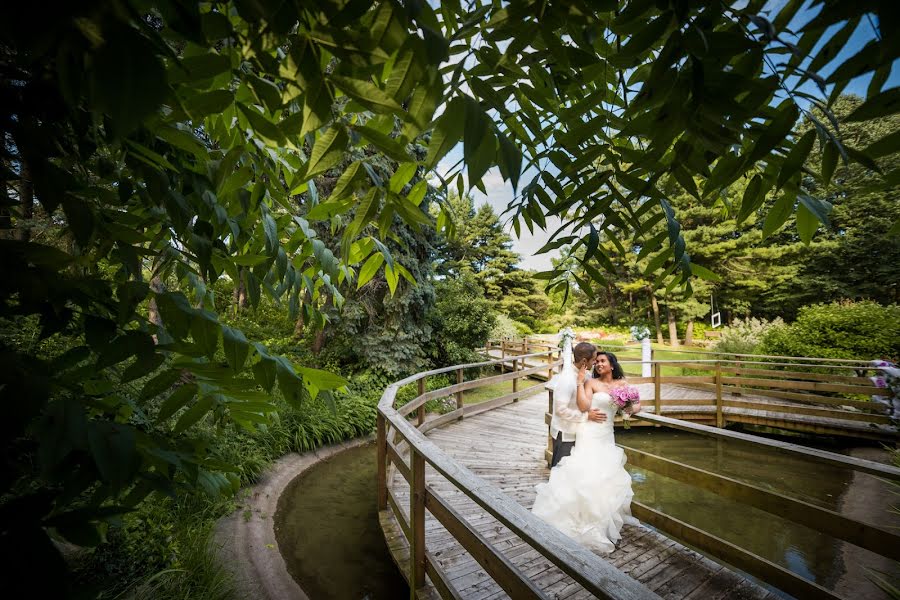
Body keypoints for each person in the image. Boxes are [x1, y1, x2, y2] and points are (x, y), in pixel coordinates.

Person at [532, 350, 641, 553]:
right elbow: (583, 406)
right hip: (589, 431)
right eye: (596, 361)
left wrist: (629, 410)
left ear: (612, 364)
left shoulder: (623, 384)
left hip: (607, 434)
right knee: (585, 471)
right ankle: (579, 517)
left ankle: (600, 519)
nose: (598, 364)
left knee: (605, 475)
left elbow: (635, 405)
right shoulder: (590, 382)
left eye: (602, 361)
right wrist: (581, 382)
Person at [548, 339, 606, 468]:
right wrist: (586, 417)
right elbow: (560, 410)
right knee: (561, 471)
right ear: (584, 361)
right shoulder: (567, 379)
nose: (595, 363)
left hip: (579, 432)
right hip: (565, 433)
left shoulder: (586, 375)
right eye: (593, 360)